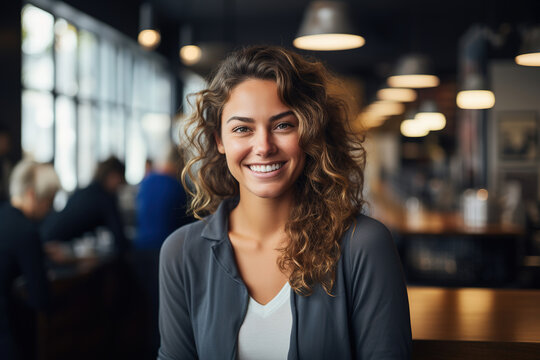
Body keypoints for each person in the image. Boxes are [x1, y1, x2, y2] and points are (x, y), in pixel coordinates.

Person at [158, 46, 411, 360]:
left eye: (283, 125)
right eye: (242, 129)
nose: (263, 146)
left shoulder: (364, 245)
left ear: (311, 132)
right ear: (219, 141)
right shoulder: (181, 252)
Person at [132, 145, 192, 358]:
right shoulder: (178, 187)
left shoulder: (146, 182)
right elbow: (188, 223)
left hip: (139, 252)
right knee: (164, 310)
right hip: (163, 253)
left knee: (146, 305)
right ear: (178, 163)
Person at [0, 160, 61, 359]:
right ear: (32, 195)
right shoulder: (27, 232)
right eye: (49, 201)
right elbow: (40, 298)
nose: (50, 209)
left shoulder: (4, 215)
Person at [41, 156, 130, 256]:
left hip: (46, 236)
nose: (120, 186)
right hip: (54, 247)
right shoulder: (104, 198)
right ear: (113, 176)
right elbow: (120, 239)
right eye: (120, 180)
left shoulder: (86, 191)